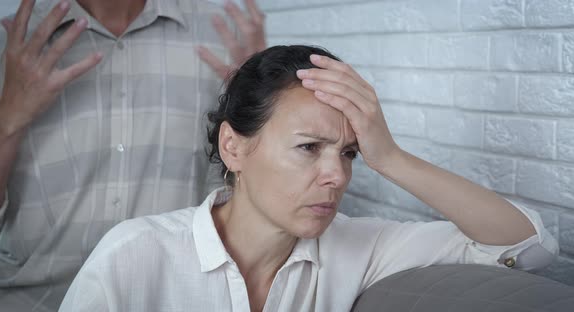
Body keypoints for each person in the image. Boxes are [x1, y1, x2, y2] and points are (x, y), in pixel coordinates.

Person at [59, 45, 559, 312]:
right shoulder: (134, 255)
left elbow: (528, 245)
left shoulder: (357, 248)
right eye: (308, 148)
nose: (336, 175)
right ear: (234, 147)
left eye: (349, 153)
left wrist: (389, 156)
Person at [0, 0, 266, 310]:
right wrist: (4, 119)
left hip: (172, 300)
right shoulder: (0, 46)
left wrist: (261, 111)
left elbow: (247, 198)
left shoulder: (226, 34)